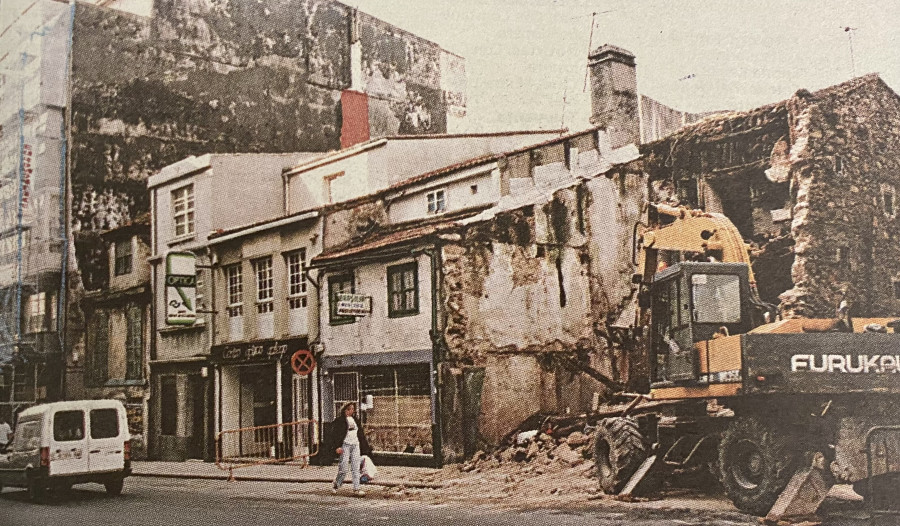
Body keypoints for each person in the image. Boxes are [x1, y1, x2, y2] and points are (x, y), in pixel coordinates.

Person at [330, 402, 371, 496]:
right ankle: (337, 484)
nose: (351, 411)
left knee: (355, 468)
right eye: (349, 409)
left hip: (355, 445)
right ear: (345, 410)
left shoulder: (355, 419)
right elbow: (334, 435)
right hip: (345, 445)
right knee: (343, 468)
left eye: (352, 409)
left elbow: (360, 433)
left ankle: (356, 489)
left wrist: (365, 447)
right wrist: (337, 446)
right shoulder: (339, 421)